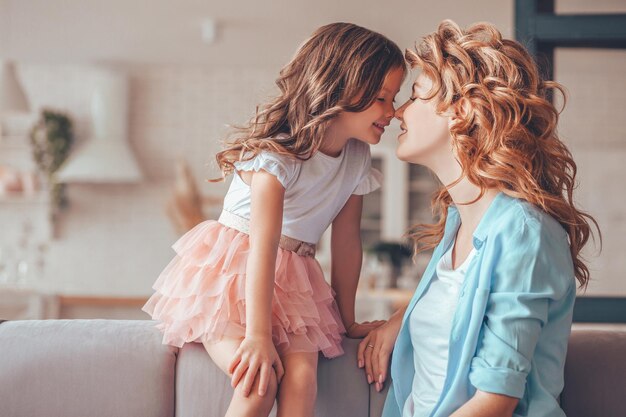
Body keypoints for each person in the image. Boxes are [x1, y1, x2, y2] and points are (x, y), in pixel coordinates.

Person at [143, 22, 404, 417]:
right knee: (259, 384)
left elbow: (347, 243)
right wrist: (258, 336)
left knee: (302, 383)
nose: (392, 112)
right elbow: (262, 247)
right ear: (345, 88)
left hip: (295, 278)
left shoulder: (357, 161)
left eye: (394, 98)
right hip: (234, 273)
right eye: (383, 99)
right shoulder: (278, 156)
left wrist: (346, 320)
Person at [357, 20, 599, 417]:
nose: (399, 111)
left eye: (416, 96)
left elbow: (495, 401)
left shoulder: (524, 231)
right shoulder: (460, 223)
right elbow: (465, 308)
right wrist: (402, 319)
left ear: (461, 111)